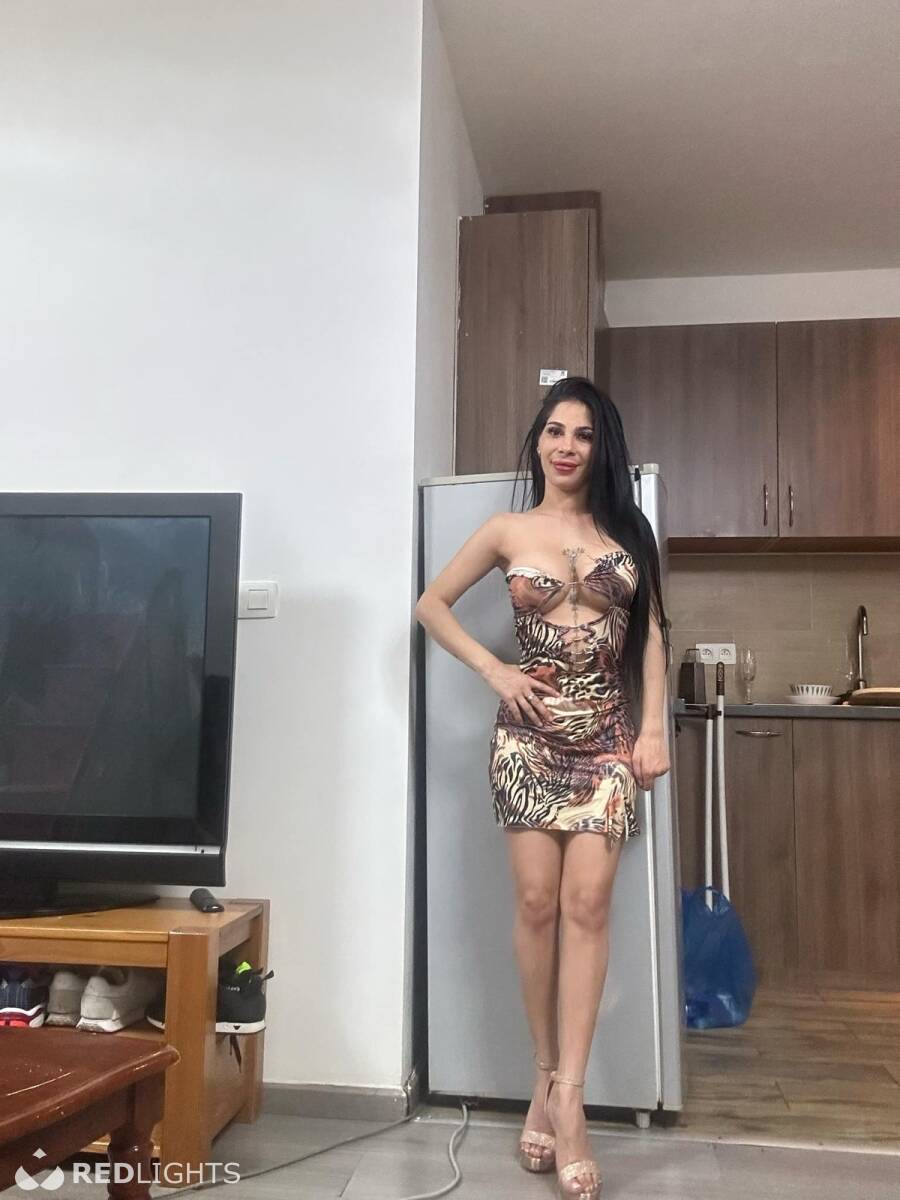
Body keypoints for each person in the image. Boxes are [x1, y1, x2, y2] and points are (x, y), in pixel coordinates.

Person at [415, 376, 672, 1199]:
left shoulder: (627, 532)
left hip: (607, 740)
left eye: (583, 434)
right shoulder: (507, 529)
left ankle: (571, 1100)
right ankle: (544, 1073)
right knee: (535, 905)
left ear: (602, 447)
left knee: (586, 907)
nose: (567, 446)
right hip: (527, 740)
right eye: (555, 431)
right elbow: (431, 605)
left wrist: (655, 729)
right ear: (538, 442)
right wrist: (494, 670)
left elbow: (652, 634)